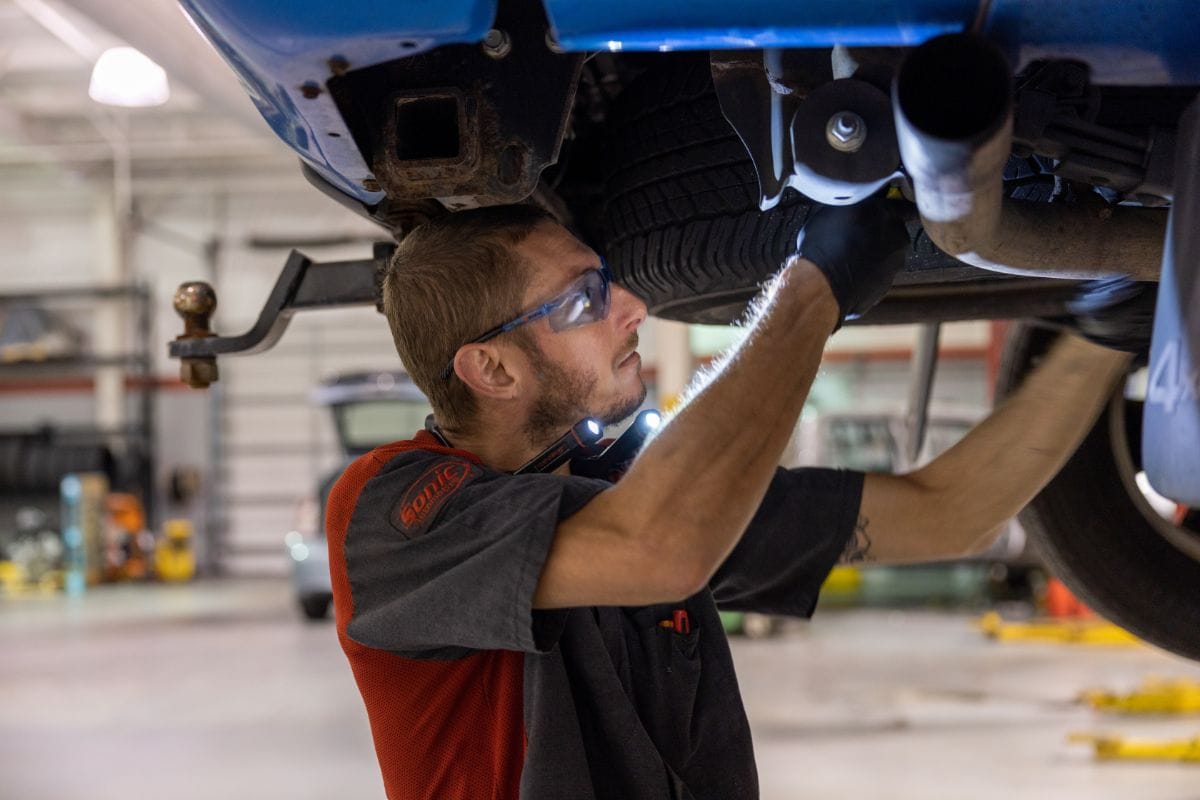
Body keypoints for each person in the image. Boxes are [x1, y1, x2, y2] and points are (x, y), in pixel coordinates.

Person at [325, 200, 1131, 799]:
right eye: (582, 301)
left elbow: (950, 510)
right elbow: (657, 547)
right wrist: (811, 291)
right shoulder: (391, 514)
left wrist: (1107, 335)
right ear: (493, 369)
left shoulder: (624, 496)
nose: (632, 309)